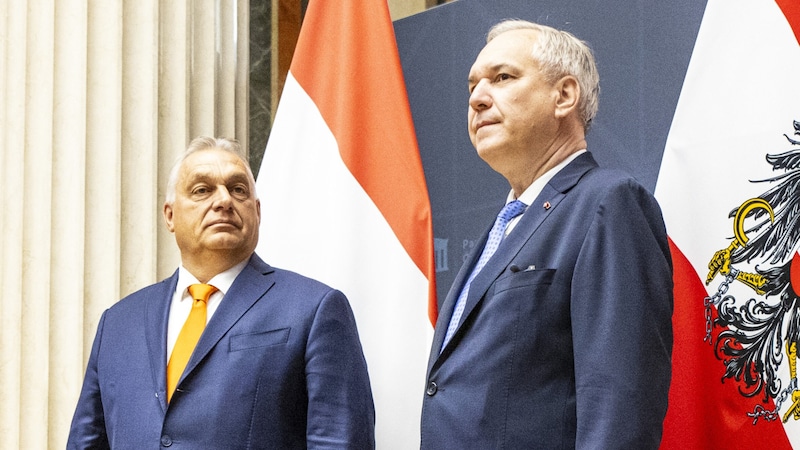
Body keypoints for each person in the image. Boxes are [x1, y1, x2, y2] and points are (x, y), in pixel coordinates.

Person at [420, 20, 673, 449]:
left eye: (502, 78)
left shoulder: (608, 203)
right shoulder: (501, 228)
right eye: (471, 87)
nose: (478, 99)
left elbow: (618, 405)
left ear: (564, 96)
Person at [68, 137, 375, 449]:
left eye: (238, 189)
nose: (224, 201)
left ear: (257, 212)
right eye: (202, 190)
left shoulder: (313, 309)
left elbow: (340, 441)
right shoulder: (118, 323)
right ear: (170, 215)